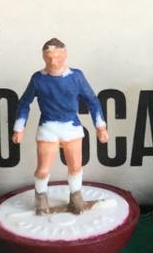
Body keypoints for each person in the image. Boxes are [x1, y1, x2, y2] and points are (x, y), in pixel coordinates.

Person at [12, 38, 108, 215]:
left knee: (75, 166)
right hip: (48, 127)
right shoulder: (38, 79)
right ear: (43, 57)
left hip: (71, 127)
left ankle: (76, 197)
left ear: (65, 54)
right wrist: (19, 127)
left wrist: (100, 127)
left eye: (57, 57)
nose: (53, 61)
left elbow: (92, 101)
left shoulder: (76, 76)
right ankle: (41, 198)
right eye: (48, 57)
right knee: (43, 169)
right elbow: (24, 102)